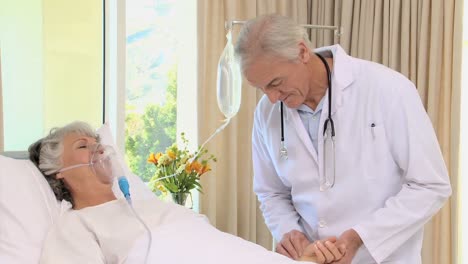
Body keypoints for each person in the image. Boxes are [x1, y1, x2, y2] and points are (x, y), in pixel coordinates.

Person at [234, 14, 452, 264]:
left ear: (302, 52)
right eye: (262, 88)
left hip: (382, 258)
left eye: (276, 83)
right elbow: (271, 192)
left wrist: (359, 238)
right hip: (311, 258)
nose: (272, 98)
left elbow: (430, 185)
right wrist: (290, 233)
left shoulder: (388, 90)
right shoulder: (267, 112)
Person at [29, 121, 332, 264]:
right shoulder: (74, 225)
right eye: (83, 146)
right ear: (58, 172)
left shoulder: (146, 207)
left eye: (97, 141)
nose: (98, 148)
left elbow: (215, 248)